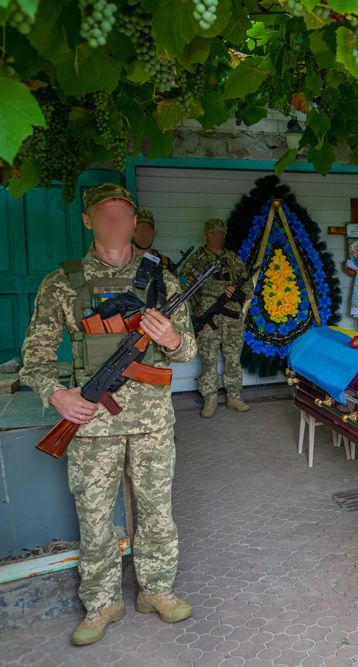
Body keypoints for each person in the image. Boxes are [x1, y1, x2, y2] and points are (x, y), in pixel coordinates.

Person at [18, 184, 197, 646]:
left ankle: (156, 590)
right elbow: (34, 361)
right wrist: (57, 396)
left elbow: (187, 350)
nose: (117, 223)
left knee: (158, 513)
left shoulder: (163, 281)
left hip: (153, 422)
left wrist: (172, 340)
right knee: (94, 518)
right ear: (88, 221)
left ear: (135, 221)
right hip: (91, 423)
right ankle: (101, 603)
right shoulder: (62, 283)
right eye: (106, 215)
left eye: (124, 215)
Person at [182, 218, 250, 418]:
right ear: (206, 234)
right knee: (208, 358)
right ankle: (210, 399)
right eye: (214, 233)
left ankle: (234, 397)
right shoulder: (197, 259)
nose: (218, 237)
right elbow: (184, 288)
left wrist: (237, 292)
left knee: (233, 358)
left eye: (221, 233)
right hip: (208, 316)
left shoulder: (233, 259)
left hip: (231, 319)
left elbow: (248, 286)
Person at [132, 208, 177, 275]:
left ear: (154, 233)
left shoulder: (166, 263)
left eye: (147, 230)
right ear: (131, 233)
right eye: (139, 231)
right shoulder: (122, 261)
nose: (143, 234)